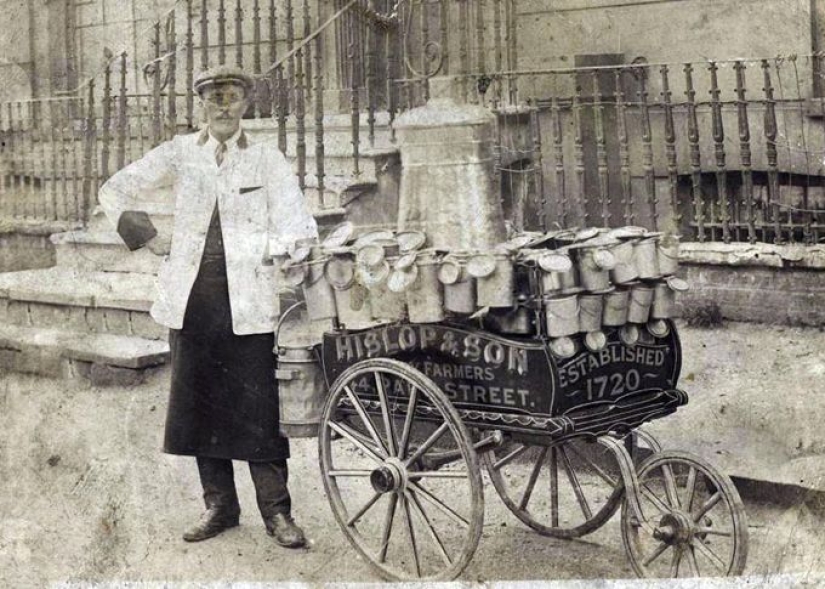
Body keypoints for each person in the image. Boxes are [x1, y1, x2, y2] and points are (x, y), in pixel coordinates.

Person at [98, 65, 318, 547]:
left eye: (232, 96)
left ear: (245, 104)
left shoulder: (266, 158)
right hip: (193, 298)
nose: (223, 106)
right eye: (213, 98)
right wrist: (148, 238)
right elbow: (114, 188)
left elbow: (299, 222)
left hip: (249, 300)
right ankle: (219, 506)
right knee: (201, 405)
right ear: (200, 105)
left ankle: (277, 513)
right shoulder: (181, 153)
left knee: (258, 407)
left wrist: (282, 246)